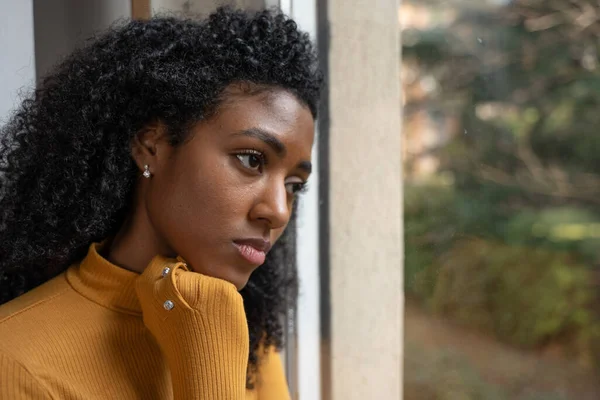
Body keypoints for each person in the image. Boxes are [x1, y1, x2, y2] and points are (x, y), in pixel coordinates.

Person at [0, 6, 322, 399]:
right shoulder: (15, 360)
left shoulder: (245, 330)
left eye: (294, 184)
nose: (278, 210)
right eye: (251, 160)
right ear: (150, 144)